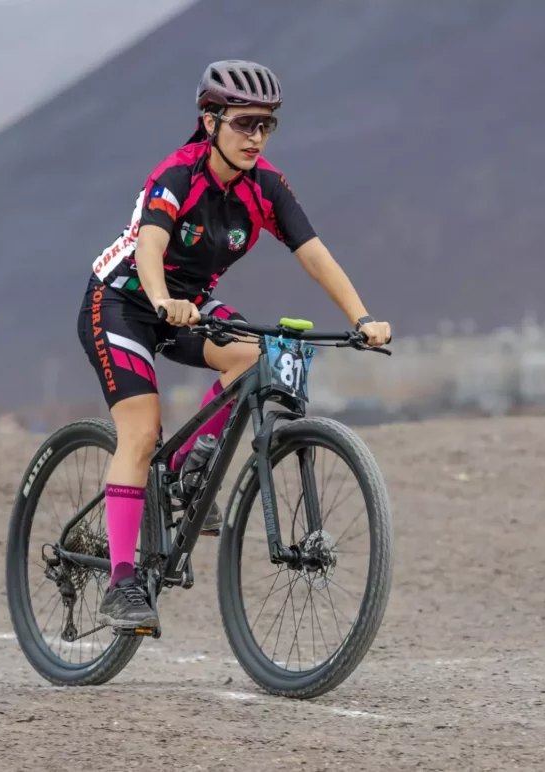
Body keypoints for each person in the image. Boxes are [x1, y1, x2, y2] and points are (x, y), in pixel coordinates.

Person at [77, 59, 392, 629]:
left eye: (267, 126)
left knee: (255, 354)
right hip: (123, 301)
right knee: (141, 431)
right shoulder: (178, 175)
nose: (257, 137)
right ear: (210, 120)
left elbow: (315, 255)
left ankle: (186, 469)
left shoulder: (265, 187)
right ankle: (121, 583)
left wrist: (363, 315)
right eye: (245, 123)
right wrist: (161, 298)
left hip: (190, 305)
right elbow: (149, 248)